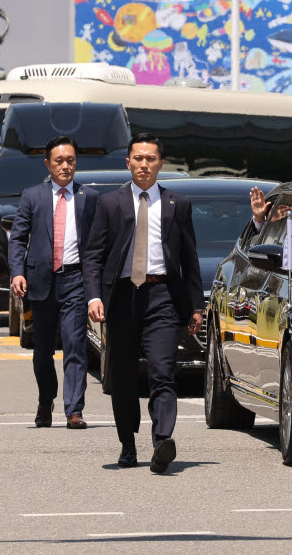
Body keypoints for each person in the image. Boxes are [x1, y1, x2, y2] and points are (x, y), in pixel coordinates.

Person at [84, 134, 204, 473]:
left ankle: (162, 440)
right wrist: (94, 295)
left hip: (162, 296)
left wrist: (196, 306)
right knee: (121, 377)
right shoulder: (110, 203)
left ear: (160, 164)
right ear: (128, 162)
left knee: (163, 370)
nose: (144, 164)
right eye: (138, 158)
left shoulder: (177, 204)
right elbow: (93, 255)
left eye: (151, 159)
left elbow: (189, 259)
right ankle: (127, 444)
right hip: (121, 297)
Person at [7, 136, 101, 430]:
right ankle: (46, 400)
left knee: (75, 345)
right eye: (59, 161)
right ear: (48, 164)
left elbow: (97, 244)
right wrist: (17, 272)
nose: (65, 166)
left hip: (75, 279)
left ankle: (74, 409)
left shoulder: (89, 197)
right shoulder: (32, 196)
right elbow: (18, 238)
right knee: (43, 350)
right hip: (40, 282)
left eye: (70, 160)